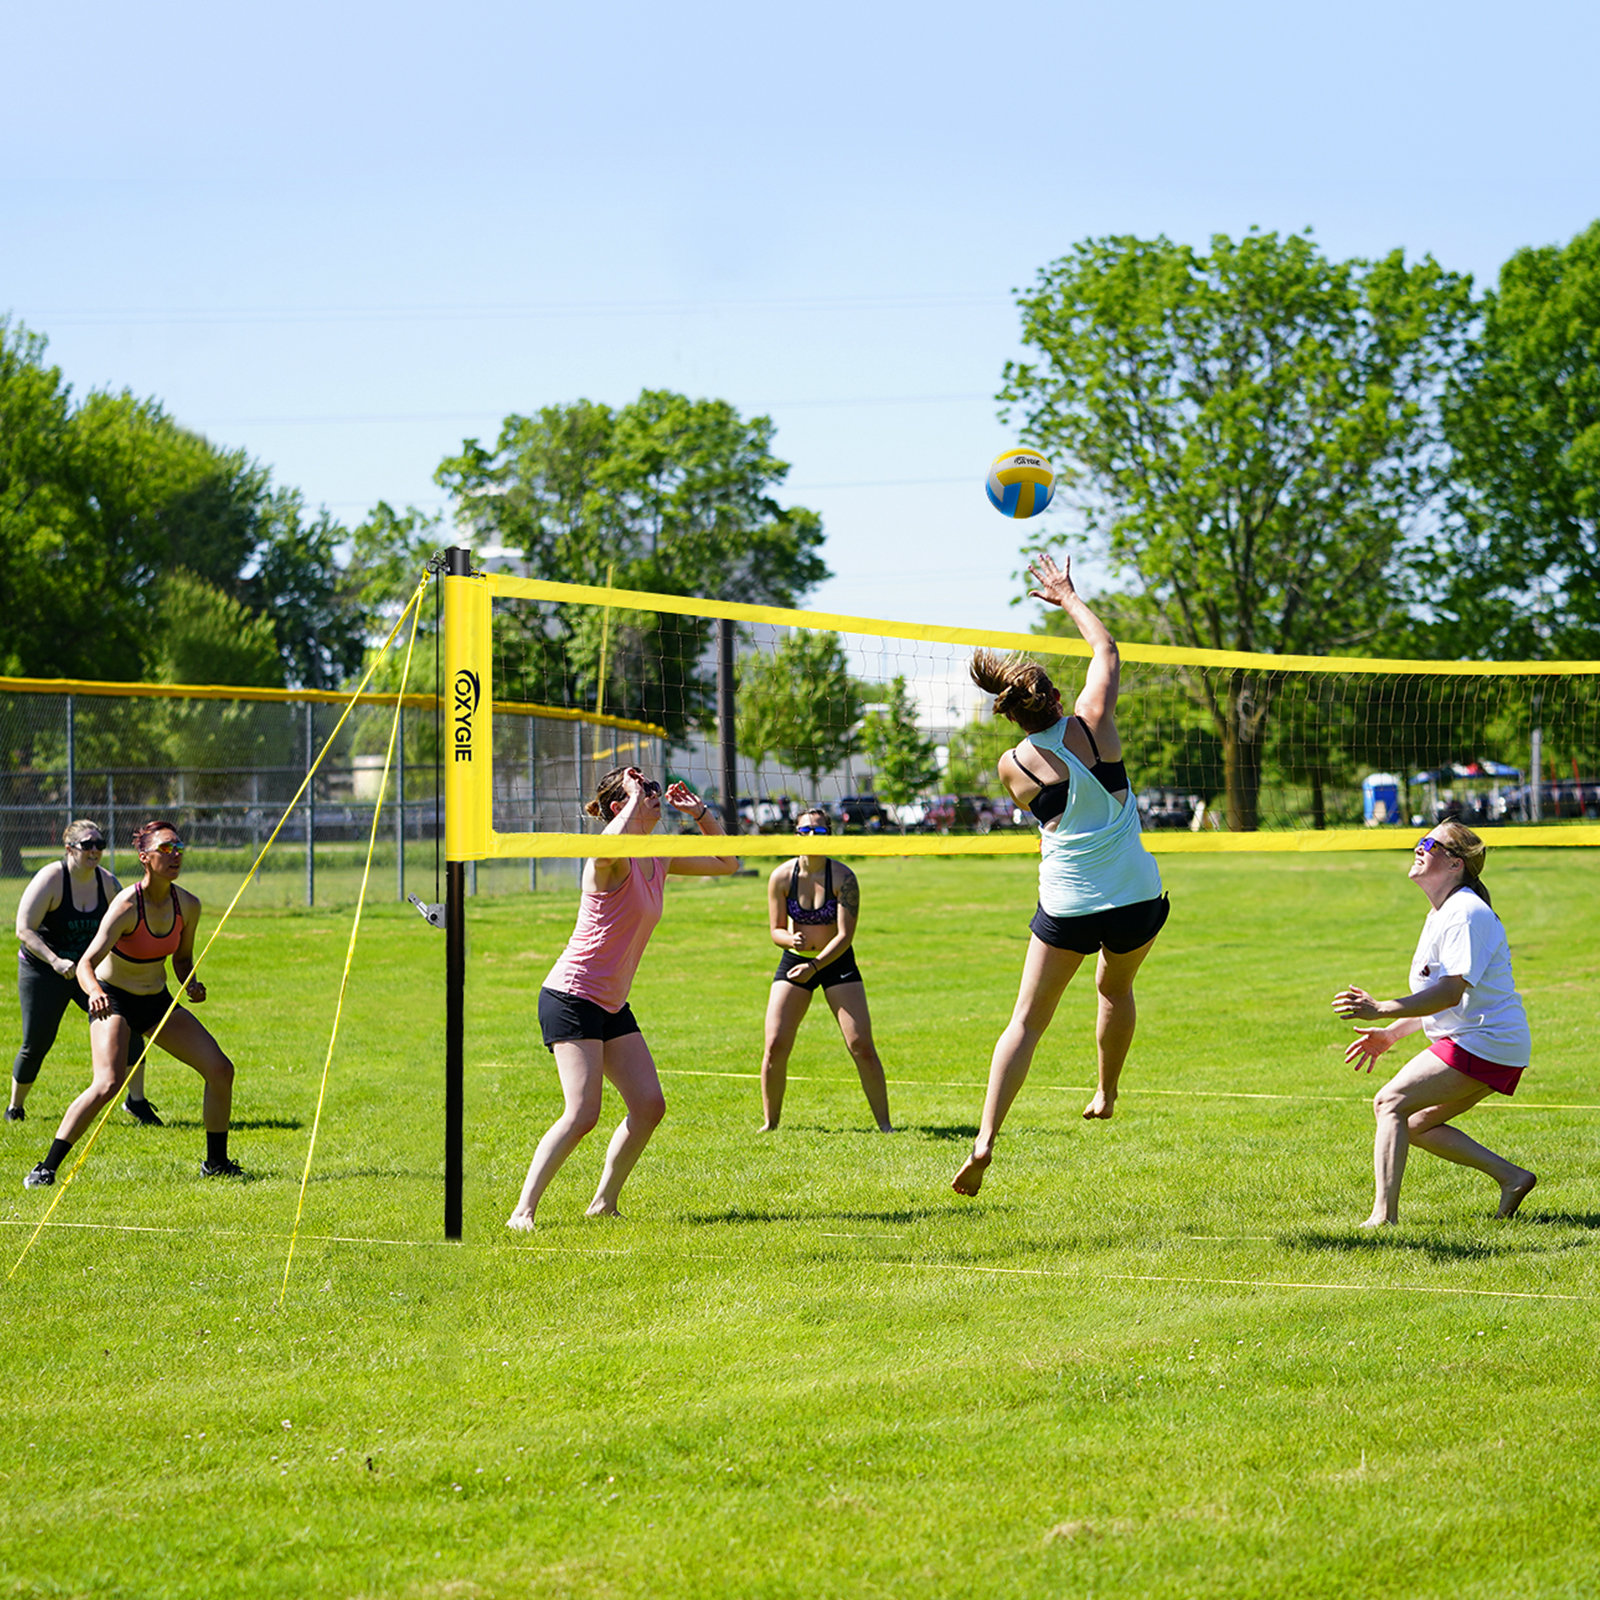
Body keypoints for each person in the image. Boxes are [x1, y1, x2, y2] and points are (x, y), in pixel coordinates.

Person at [951, 553, 1168, 1196]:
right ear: (1052, 696)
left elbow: (1043, 814)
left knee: (1025, 1022)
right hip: (1134, 895)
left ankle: (986, 1139)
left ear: (1012, 712)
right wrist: (1068, 596)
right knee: (1113, 989)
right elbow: (1106, 647)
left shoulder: (1012, 764)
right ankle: (1105, 1089)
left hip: (1068, 902)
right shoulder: (1094, 721)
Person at [507, 768, 737, 1228]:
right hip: (572, 996)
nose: (655, 794)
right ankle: (522, 1212)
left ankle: (603, 1203)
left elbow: (727, 863)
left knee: (649, 1105)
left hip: (610, 1001)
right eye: (646, 790)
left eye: (652, 788)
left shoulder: (660, 856)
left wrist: (701, 814)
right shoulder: (607, 861)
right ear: (620, 807)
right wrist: (633, 798)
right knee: (582, 1114)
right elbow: (606, 847)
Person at [1332, 821, 1536, 1227]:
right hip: (1486, 1040)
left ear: (1455, 863)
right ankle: (1513, 1177)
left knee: (1389, 1102)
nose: (1419, 848)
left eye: (1430, 843)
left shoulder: (1465, 913)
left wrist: (1383, 1009)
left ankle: (1382, 1218)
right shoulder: (1443, 911)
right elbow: (1445, 1000)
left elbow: (1449, 994)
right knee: (1415, 1124)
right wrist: (1392, 1034)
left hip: (1483, 1040)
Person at [23, 819, 243, 1188]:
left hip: (156, 1002)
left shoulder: (188, 905)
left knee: (220, 1070)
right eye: (166, 850)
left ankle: (216, 1163)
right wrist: (94, 993)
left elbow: (182, 960)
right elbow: (87, 964)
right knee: (109, 1083)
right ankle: (46, 1167)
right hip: (115, 1000)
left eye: (179, 849)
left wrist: (191, 984)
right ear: (145, 857)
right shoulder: (126, 905)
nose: (175, 856)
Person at [10, 820, 157, 1125]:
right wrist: (55, 960)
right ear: (69, 849)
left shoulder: (106, 882)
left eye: (100, 845)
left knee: (126, 1026)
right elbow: (24, 930)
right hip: (45, 968)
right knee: (36, 1042)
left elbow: (125, 924)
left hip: (87, 970)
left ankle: (137, 1102)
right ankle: (15, 1107)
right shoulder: (51, 878)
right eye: (87, 845)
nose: (95, 851)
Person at [758, 809, 893, 1133]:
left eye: (819, 832)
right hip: (795, 962)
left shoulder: (844, 878)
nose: (812, 837)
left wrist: (815, 965)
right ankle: (770, 1124)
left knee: (860, 1044)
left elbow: (845, 936)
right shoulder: (781, 876)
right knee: (775, 1044)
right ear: (796, 835)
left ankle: (886, 1126)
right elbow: (775, 930)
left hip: (835, 961)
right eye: (805, 831)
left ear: (829, 836)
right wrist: (791, 939)